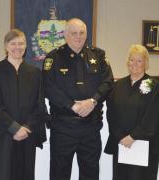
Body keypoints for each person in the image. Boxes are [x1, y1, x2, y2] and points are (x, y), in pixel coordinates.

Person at [43, 18, 114, 180]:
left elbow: (108, 82)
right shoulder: (53, 58)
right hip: (62, 128)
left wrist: (93, 101)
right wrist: (72, 106)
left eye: (81, 33)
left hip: (90, 128)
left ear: (86, 34)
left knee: (90, 174)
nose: (78, 36)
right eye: (73, 33)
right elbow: (48, 87)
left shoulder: (99, 55)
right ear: (66, 35)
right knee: (59, 174)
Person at [0, 29, 46, 180]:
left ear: (26, 45)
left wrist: (27, 128)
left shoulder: (34, 73)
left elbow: (39, 105)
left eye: (21, 43)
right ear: (6, 46)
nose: (17, 47)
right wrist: (14, 128)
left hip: (26, 136)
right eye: (13, 43)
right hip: (1, 135)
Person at [104, 44, 159, 180]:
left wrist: (133, 137)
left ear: (146, 63)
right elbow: (111, 113)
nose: (135, 64)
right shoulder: (118, 85)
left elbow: (153, 116)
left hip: (143, 146)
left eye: (139, 60)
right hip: (121, 145)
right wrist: (120, 136)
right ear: (127, 62)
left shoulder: (153, 85)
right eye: (132, 60)